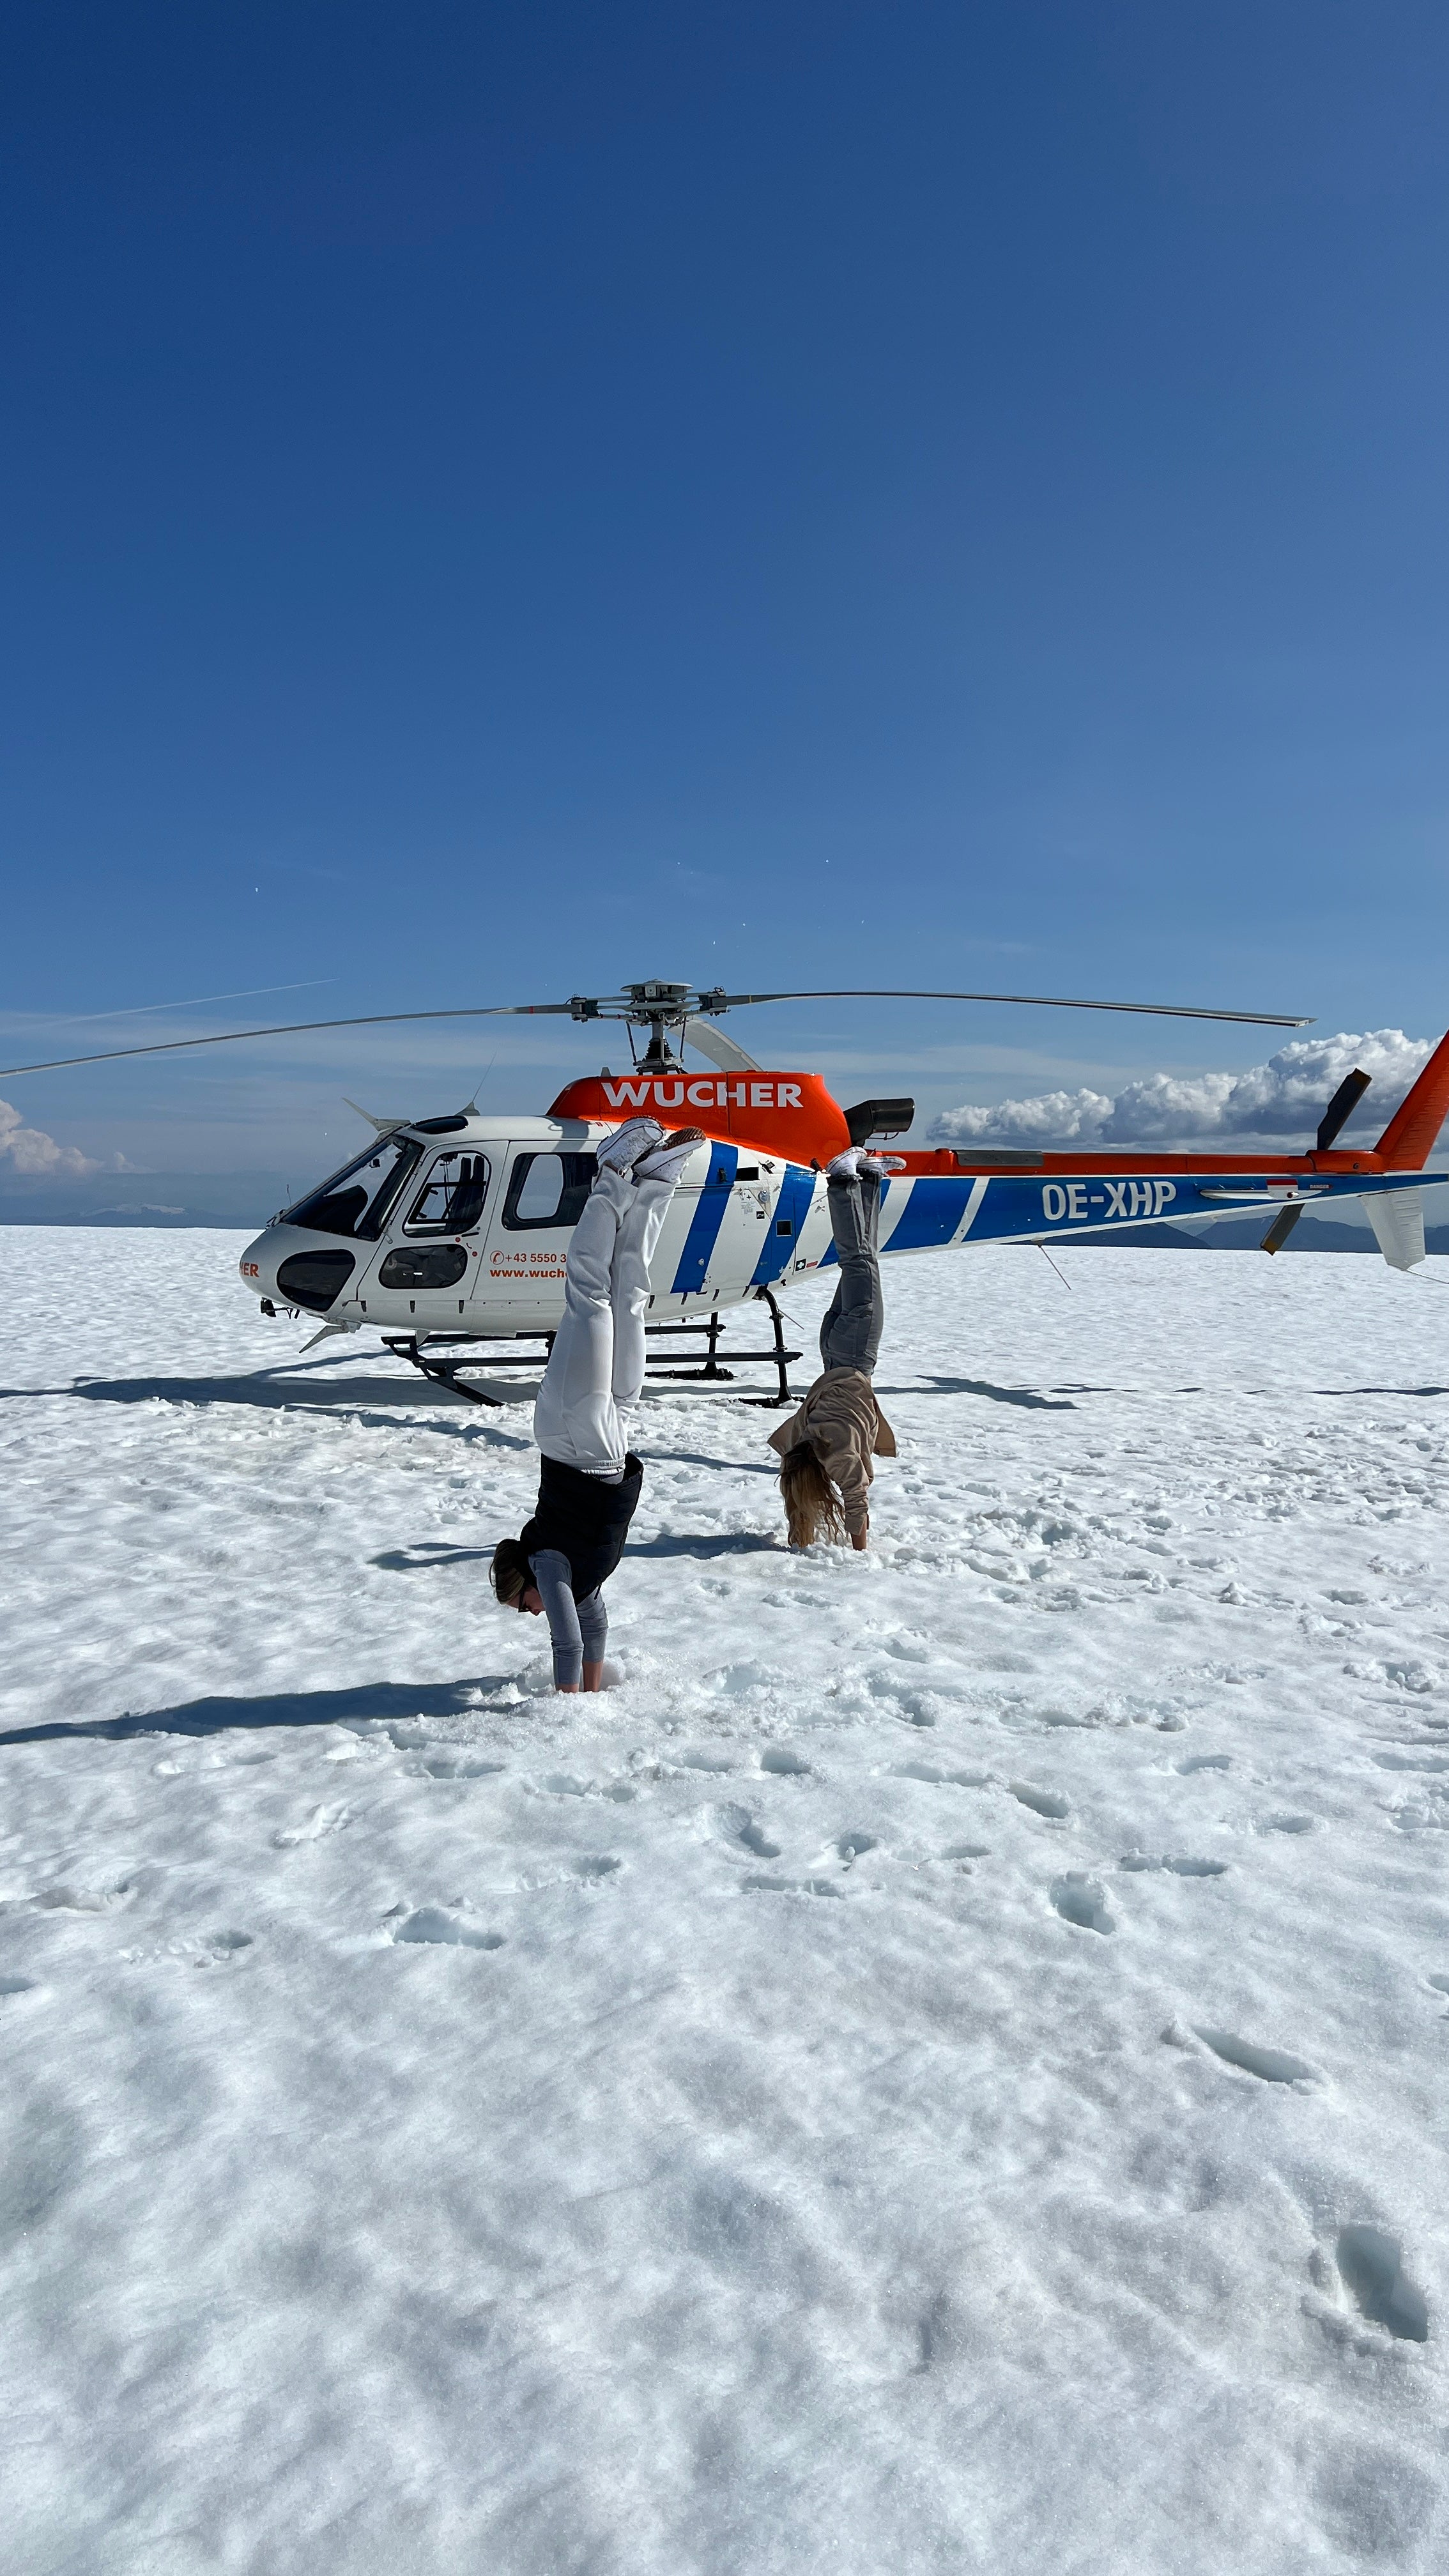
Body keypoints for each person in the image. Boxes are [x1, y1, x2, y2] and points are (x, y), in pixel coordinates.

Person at [489, 1117, 705, 1689]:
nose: (533, 1612)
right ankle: (655, 1185)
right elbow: (594, 1629)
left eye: (523, 1606)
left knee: (590, 1297)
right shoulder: (579, 1580)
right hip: (609, 1440)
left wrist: (567, 1713)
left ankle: (610, 1171)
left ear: (522, 1583)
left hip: (570, 1432)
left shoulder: (549, 1565)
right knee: (630, 1301)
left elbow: (565, 1638)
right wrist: (592, 1687)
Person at [769, 1144, 897, 1549]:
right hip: (833, 1352)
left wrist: (861, 1550)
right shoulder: (802, 1445)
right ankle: (871, 1179)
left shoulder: (839, 1456)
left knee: (860, 1264)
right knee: (864, 1263)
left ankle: (842, 1181)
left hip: (855, 1353)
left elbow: (857, 1504)